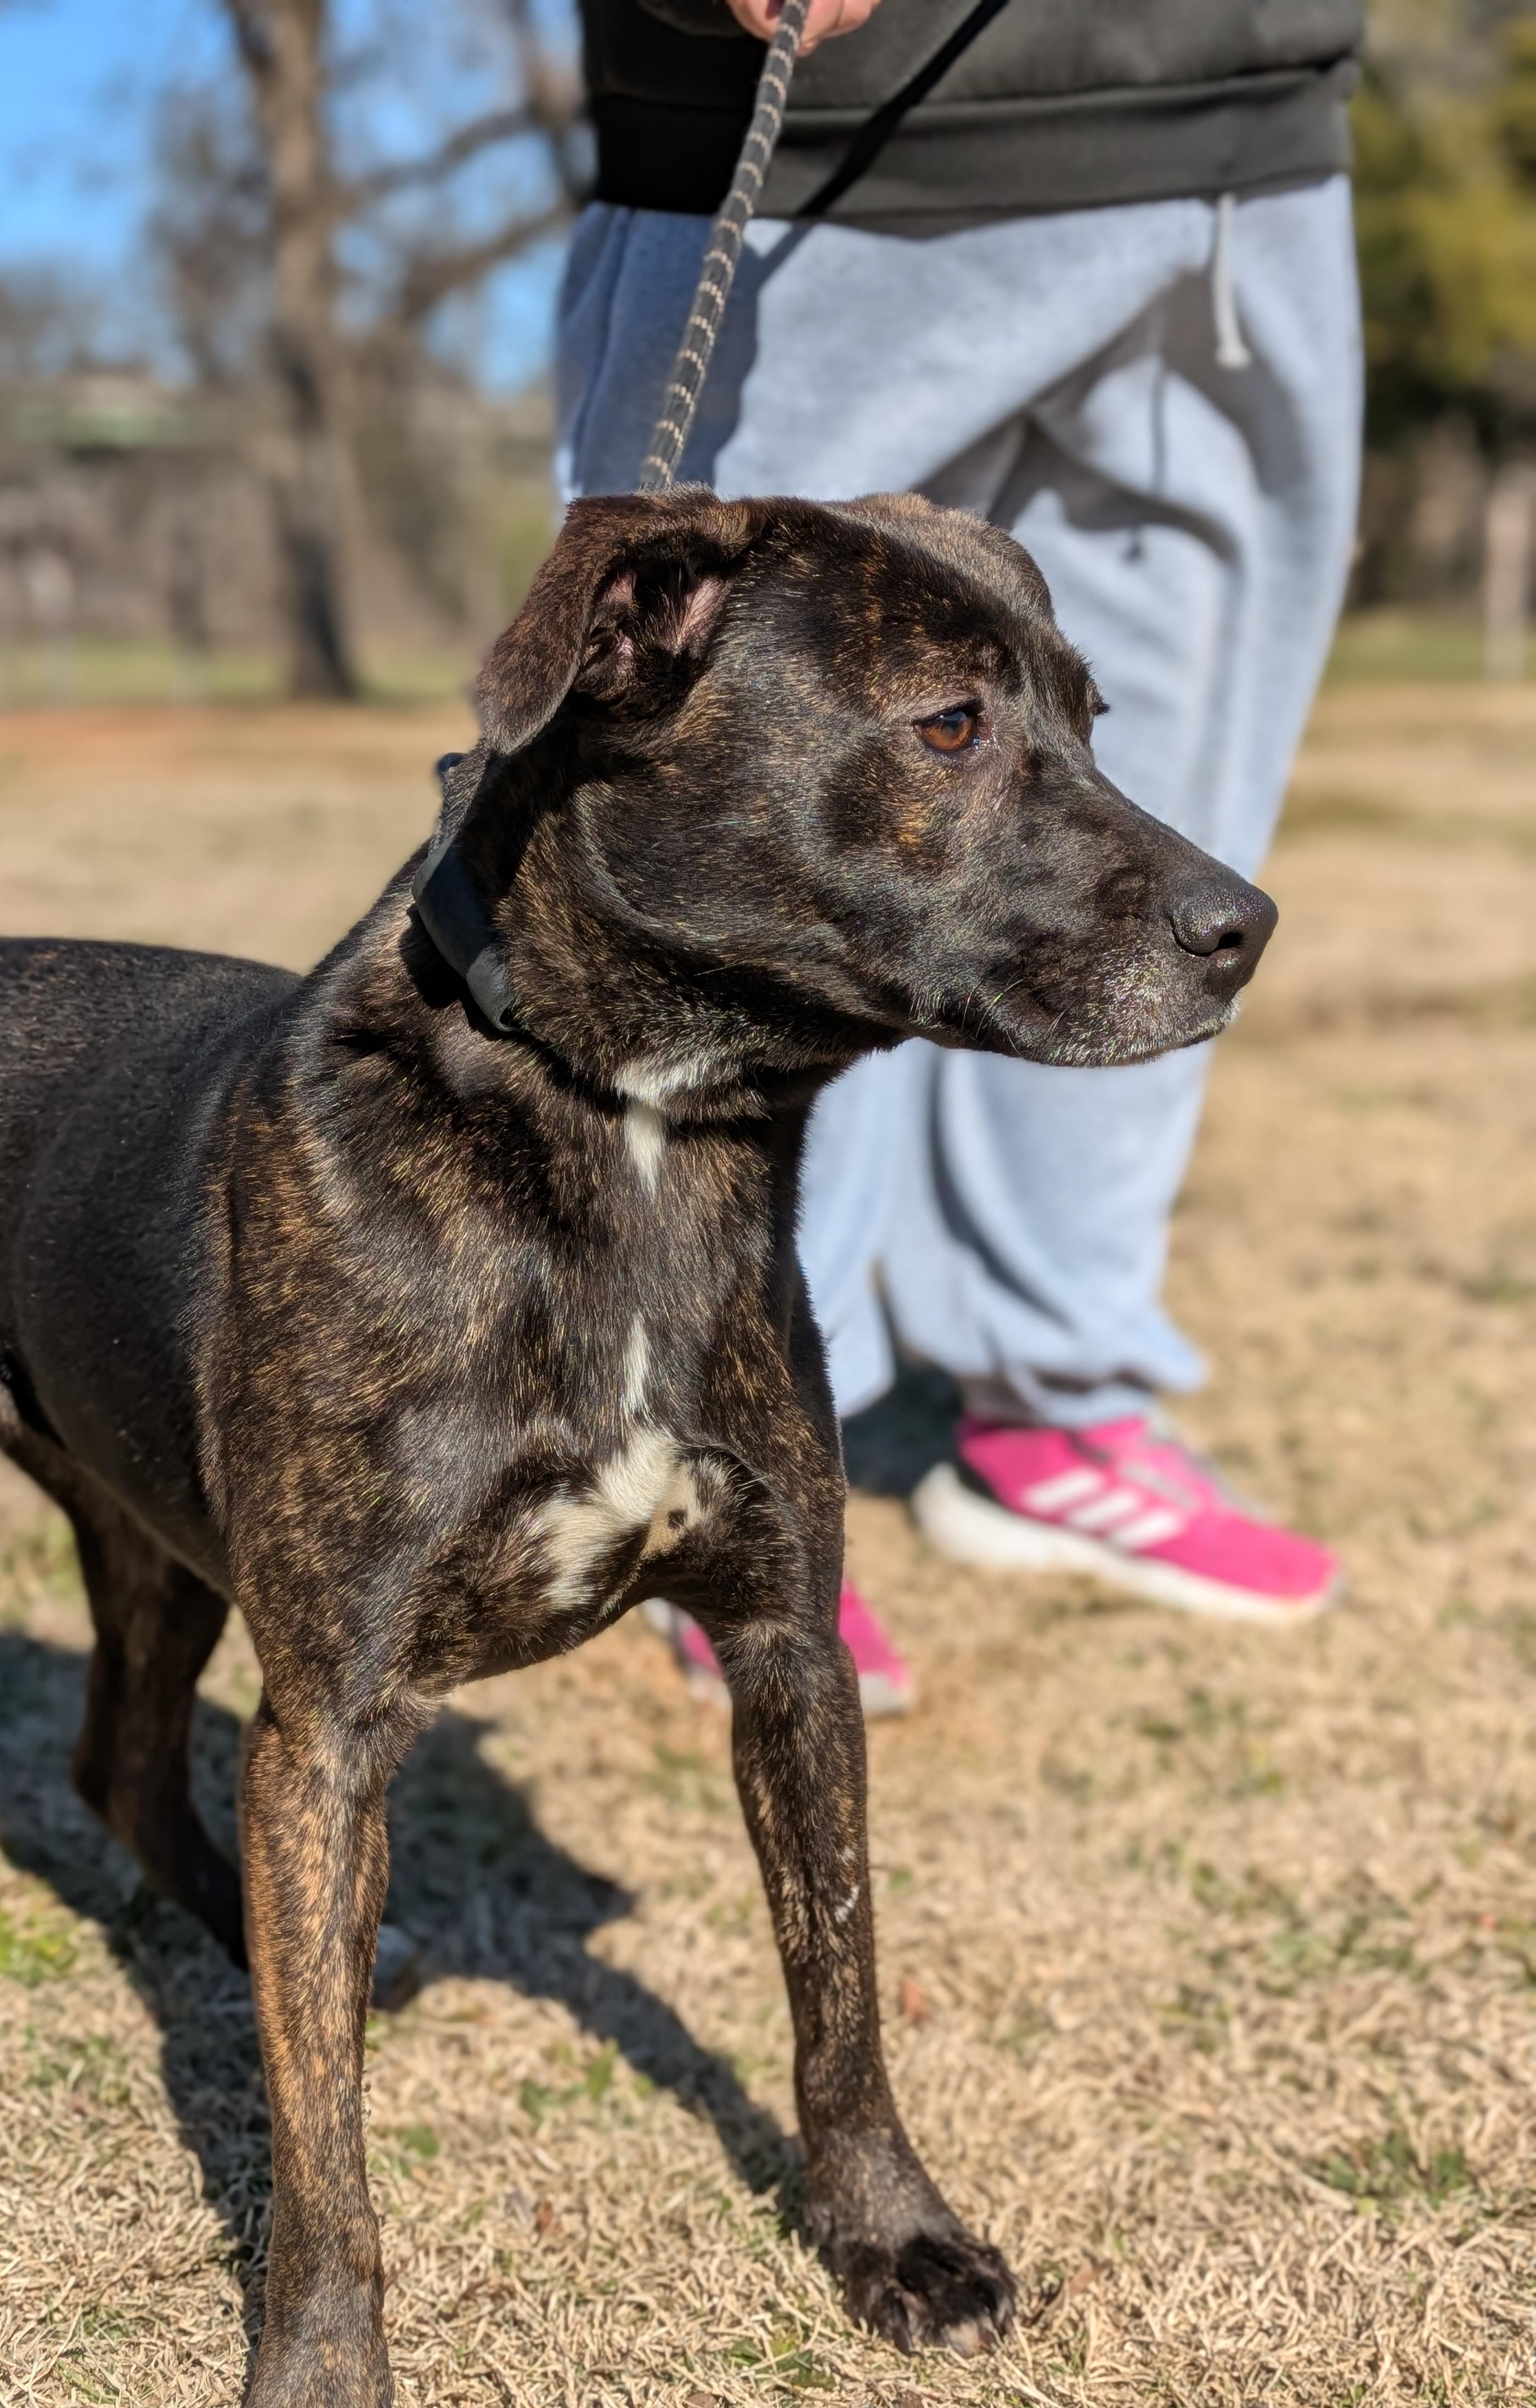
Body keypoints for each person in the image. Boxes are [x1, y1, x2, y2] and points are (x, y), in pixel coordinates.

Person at [560, 0, 1365, 1709]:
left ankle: (1059, 1386)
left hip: (1243, 124)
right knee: (748, 807)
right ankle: (710, 1444)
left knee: (1147, 801)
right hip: (836, 146)